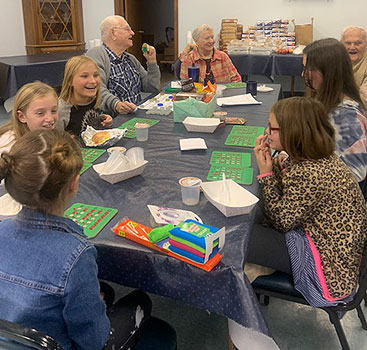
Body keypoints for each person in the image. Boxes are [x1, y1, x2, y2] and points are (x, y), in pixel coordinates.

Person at [0, 129, 176, 350]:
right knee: (141, 300)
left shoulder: (2, 228)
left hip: (11, 338)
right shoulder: (76, 254)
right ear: (74, 184)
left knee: (105, 291)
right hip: (59, 342)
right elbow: (93, 340)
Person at [248, 96, 367, 307]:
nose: (266, 133)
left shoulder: (310, 173)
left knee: (240, 234)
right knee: (251, 217)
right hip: (332, 251)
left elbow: (281, 222)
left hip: (328, 270)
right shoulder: (317, 157)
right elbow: (292, 195)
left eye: (271, 128)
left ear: (293, 132)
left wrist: (266, 173)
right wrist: (276, 166)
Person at [303, 38, 367, 185]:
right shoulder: (327, 103)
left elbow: (355, 174)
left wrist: (303, 169)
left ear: (328, 72)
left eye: (309, 69)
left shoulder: (346, 117)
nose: (304, 75)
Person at [86, 15, 160, 116]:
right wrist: (116, 104)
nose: (132, 33)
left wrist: (152, 62)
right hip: (112, 121)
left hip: (135, 117)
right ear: (113, 33)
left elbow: (152, 88)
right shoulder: (96, 55)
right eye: (127, 29)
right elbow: (97, 90)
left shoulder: (130, 59)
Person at [57, 55, 113, 137]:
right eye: (84, 76)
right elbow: (54, 142)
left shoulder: (95, 100)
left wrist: (105, 122)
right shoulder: (61, 110)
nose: (93, 81)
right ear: (70, 81)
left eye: (96, 75)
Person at [0, 81, 58, 154]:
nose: (50, 119)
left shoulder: (45, 134)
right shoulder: (9, 149)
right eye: (40, 113)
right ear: (22, 116)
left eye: (54, 111)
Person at [341, 26, 367, 104]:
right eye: (348, 43)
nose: (352, 47)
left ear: (366, 44)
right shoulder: (336, 61)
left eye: (358, 43)